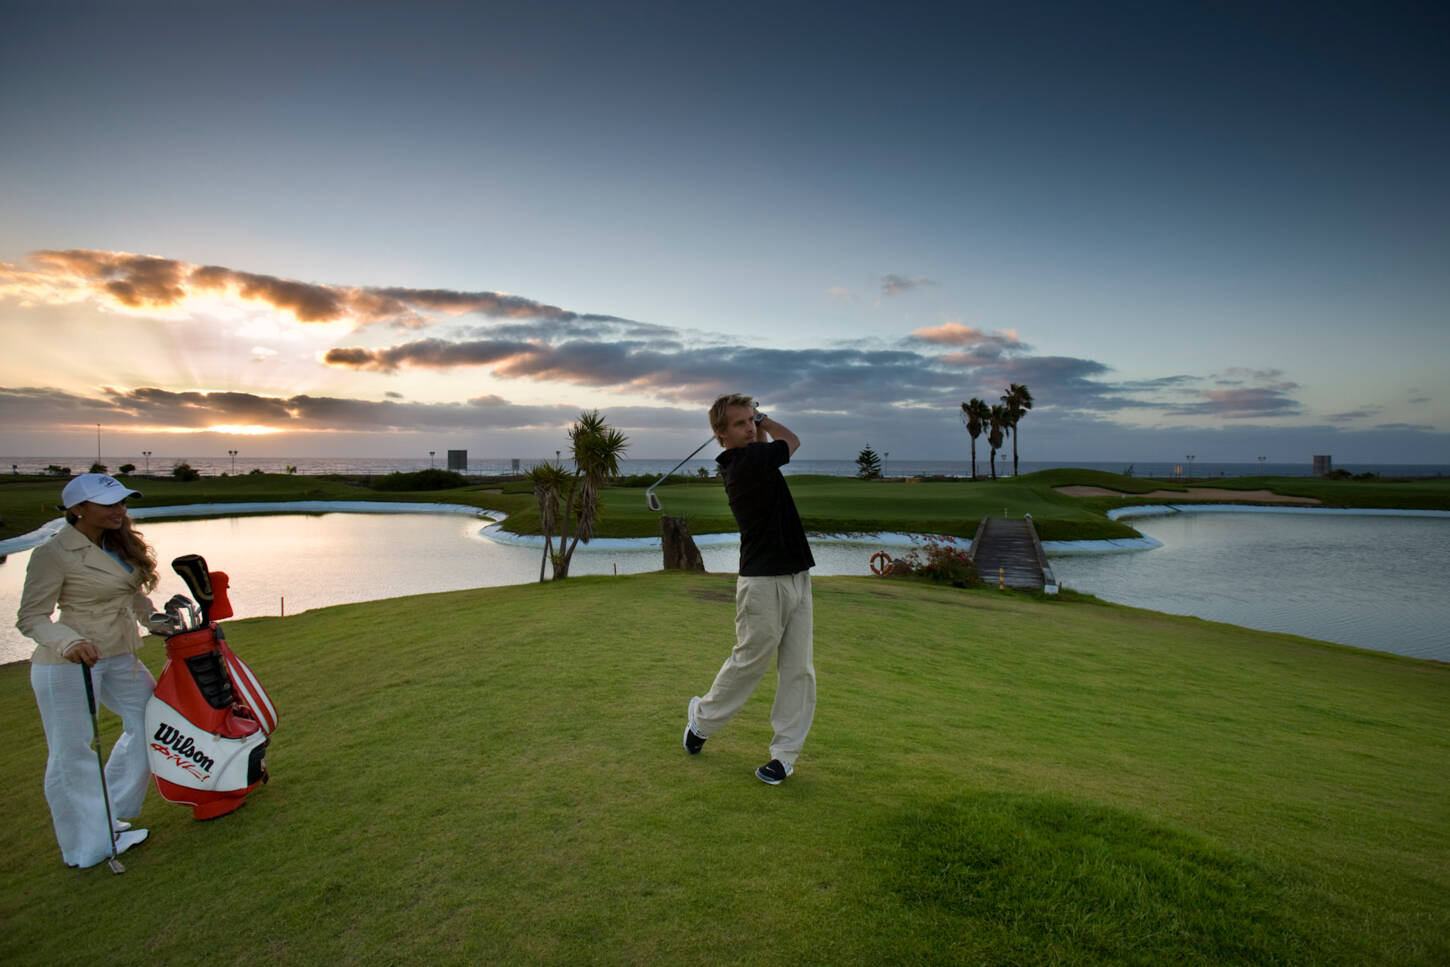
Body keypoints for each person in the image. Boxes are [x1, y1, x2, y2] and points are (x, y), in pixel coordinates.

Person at [17, 473, 165, 868]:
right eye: (109, 504)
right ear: (78, 509)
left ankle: (109, 814)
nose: (119, 511)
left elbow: (132, 596)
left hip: (119, 653)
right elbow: (32, 617)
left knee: (151, 719)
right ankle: (88, 846)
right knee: (72, 752)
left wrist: (157, 623)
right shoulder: (53, 553)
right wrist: (68, 642)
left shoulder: (116, 544)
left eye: (122, 503)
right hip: (69, 661)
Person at [683, 394, 816, 784]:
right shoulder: (745, 462)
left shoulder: (752, 455)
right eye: (741, 423)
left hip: (797, 575)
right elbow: (792, 440)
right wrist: (767, 418)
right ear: (721, 436)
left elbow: (779, 446)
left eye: (751, 421)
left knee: (798, 670)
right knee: (749, 662)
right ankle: (702, 721)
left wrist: (755, 422)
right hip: (762, 582)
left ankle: (784, 756)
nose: (751, 427)